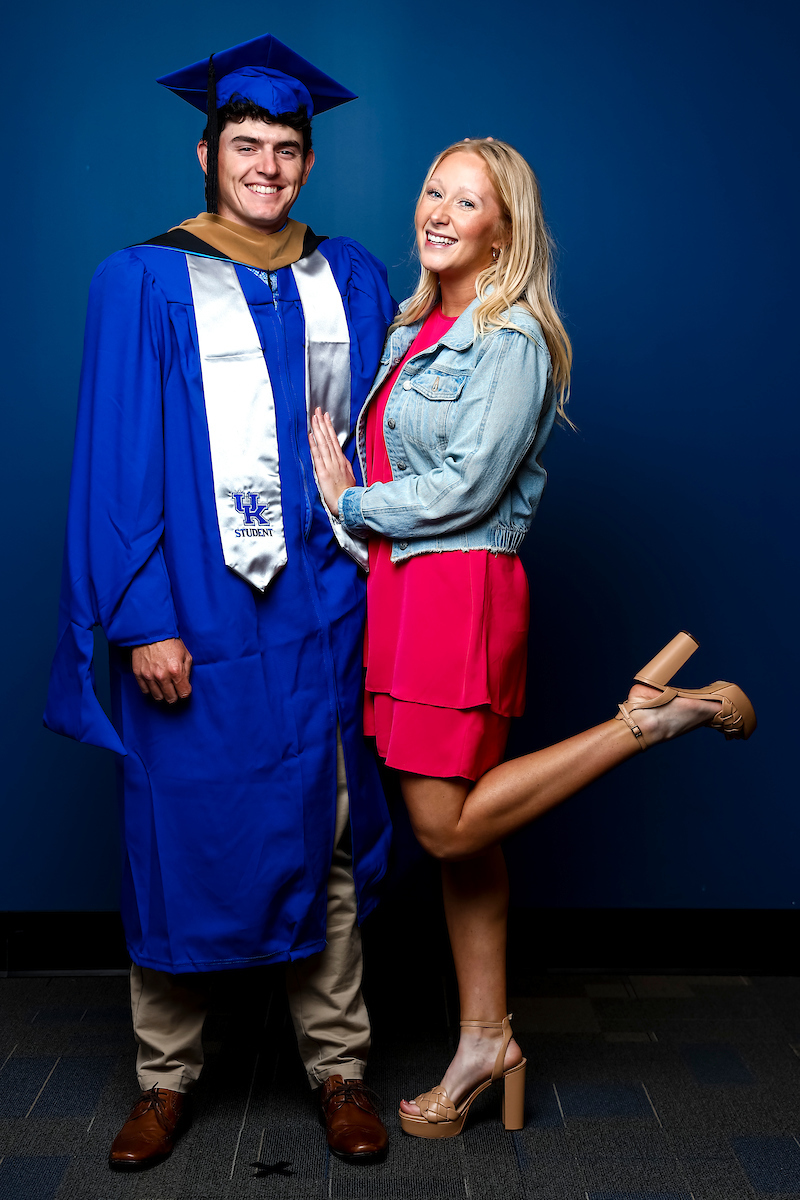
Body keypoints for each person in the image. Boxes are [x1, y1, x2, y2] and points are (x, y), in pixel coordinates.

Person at [308, 136, 757, 1140]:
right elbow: (391, 491)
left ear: (499, 230)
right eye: (431, 192)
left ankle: (642, 722)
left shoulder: (509, 339)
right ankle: (483, 1041)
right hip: (401, 591)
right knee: (468, 840)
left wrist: (356, 499)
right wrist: (350, 510)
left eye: (463, 203)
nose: (436, 212)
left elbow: (465, 488)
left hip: (456, 595)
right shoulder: (414, 326)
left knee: (443, 826)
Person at [44, 33, 396, 1169]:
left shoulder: (346, 276)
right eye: (248, 145)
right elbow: (113, 457)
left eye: (287, 149)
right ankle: (165, 1079)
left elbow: (382, 438)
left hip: (324, 606)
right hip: (195, 604)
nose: (269, 167)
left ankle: (338, 1068)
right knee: (177, 830)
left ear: (306, 160)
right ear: (207, 152)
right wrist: (141, 614)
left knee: (326, 829)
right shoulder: (140, 279)